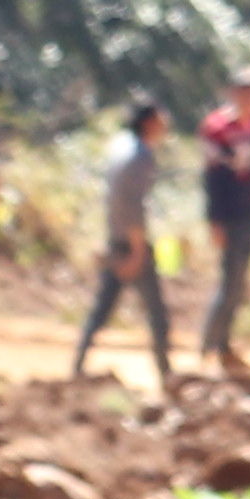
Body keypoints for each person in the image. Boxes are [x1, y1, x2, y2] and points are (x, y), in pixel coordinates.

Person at [71, 101, 173, 390]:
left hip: (115, 240)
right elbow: (132, 206)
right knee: (156, 313)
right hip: (131, 245)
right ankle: (167, 377)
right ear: (150, 123)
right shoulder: (140, 157)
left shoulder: (120, 148)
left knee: (101, 310)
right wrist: (138, 250)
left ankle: (77, 367)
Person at [196, 70, 250, 377]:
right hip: (228, 214)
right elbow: (212, 177)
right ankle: (209, 345)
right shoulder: (218, 127)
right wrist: (214, 220)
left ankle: (223, 343)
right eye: (247, 91)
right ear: (233, 92)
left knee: (239, 281)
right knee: (229, 280)